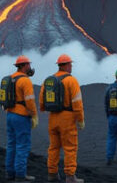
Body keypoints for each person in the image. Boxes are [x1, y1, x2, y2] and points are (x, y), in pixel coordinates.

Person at [40, 54, 85, 183]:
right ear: (66, 65)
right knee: (70, 147)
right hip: (67, 118)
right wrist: (80, 120)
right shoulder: (71, 80)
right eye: (70, 64)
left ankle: (52, 174)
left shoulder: (49, 80)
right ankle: (70, 176)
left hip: (53, 117)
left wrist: (43, 109)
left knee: (53, 147)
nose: (71, 66)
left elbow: (42, 99)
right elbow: (77, 102)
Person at [5, 55, 39, 182]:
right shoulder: (25, 81)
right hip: (21, 116)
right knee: (22, 146)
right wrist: (34, 115)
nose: (30, 67)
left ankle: (10, 174)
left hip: (10, 115)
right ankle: (20, 175)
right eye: (28, 65)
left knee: (11, 144)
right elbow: (30, 101)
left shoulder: (11, 78)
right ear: (24, 66)